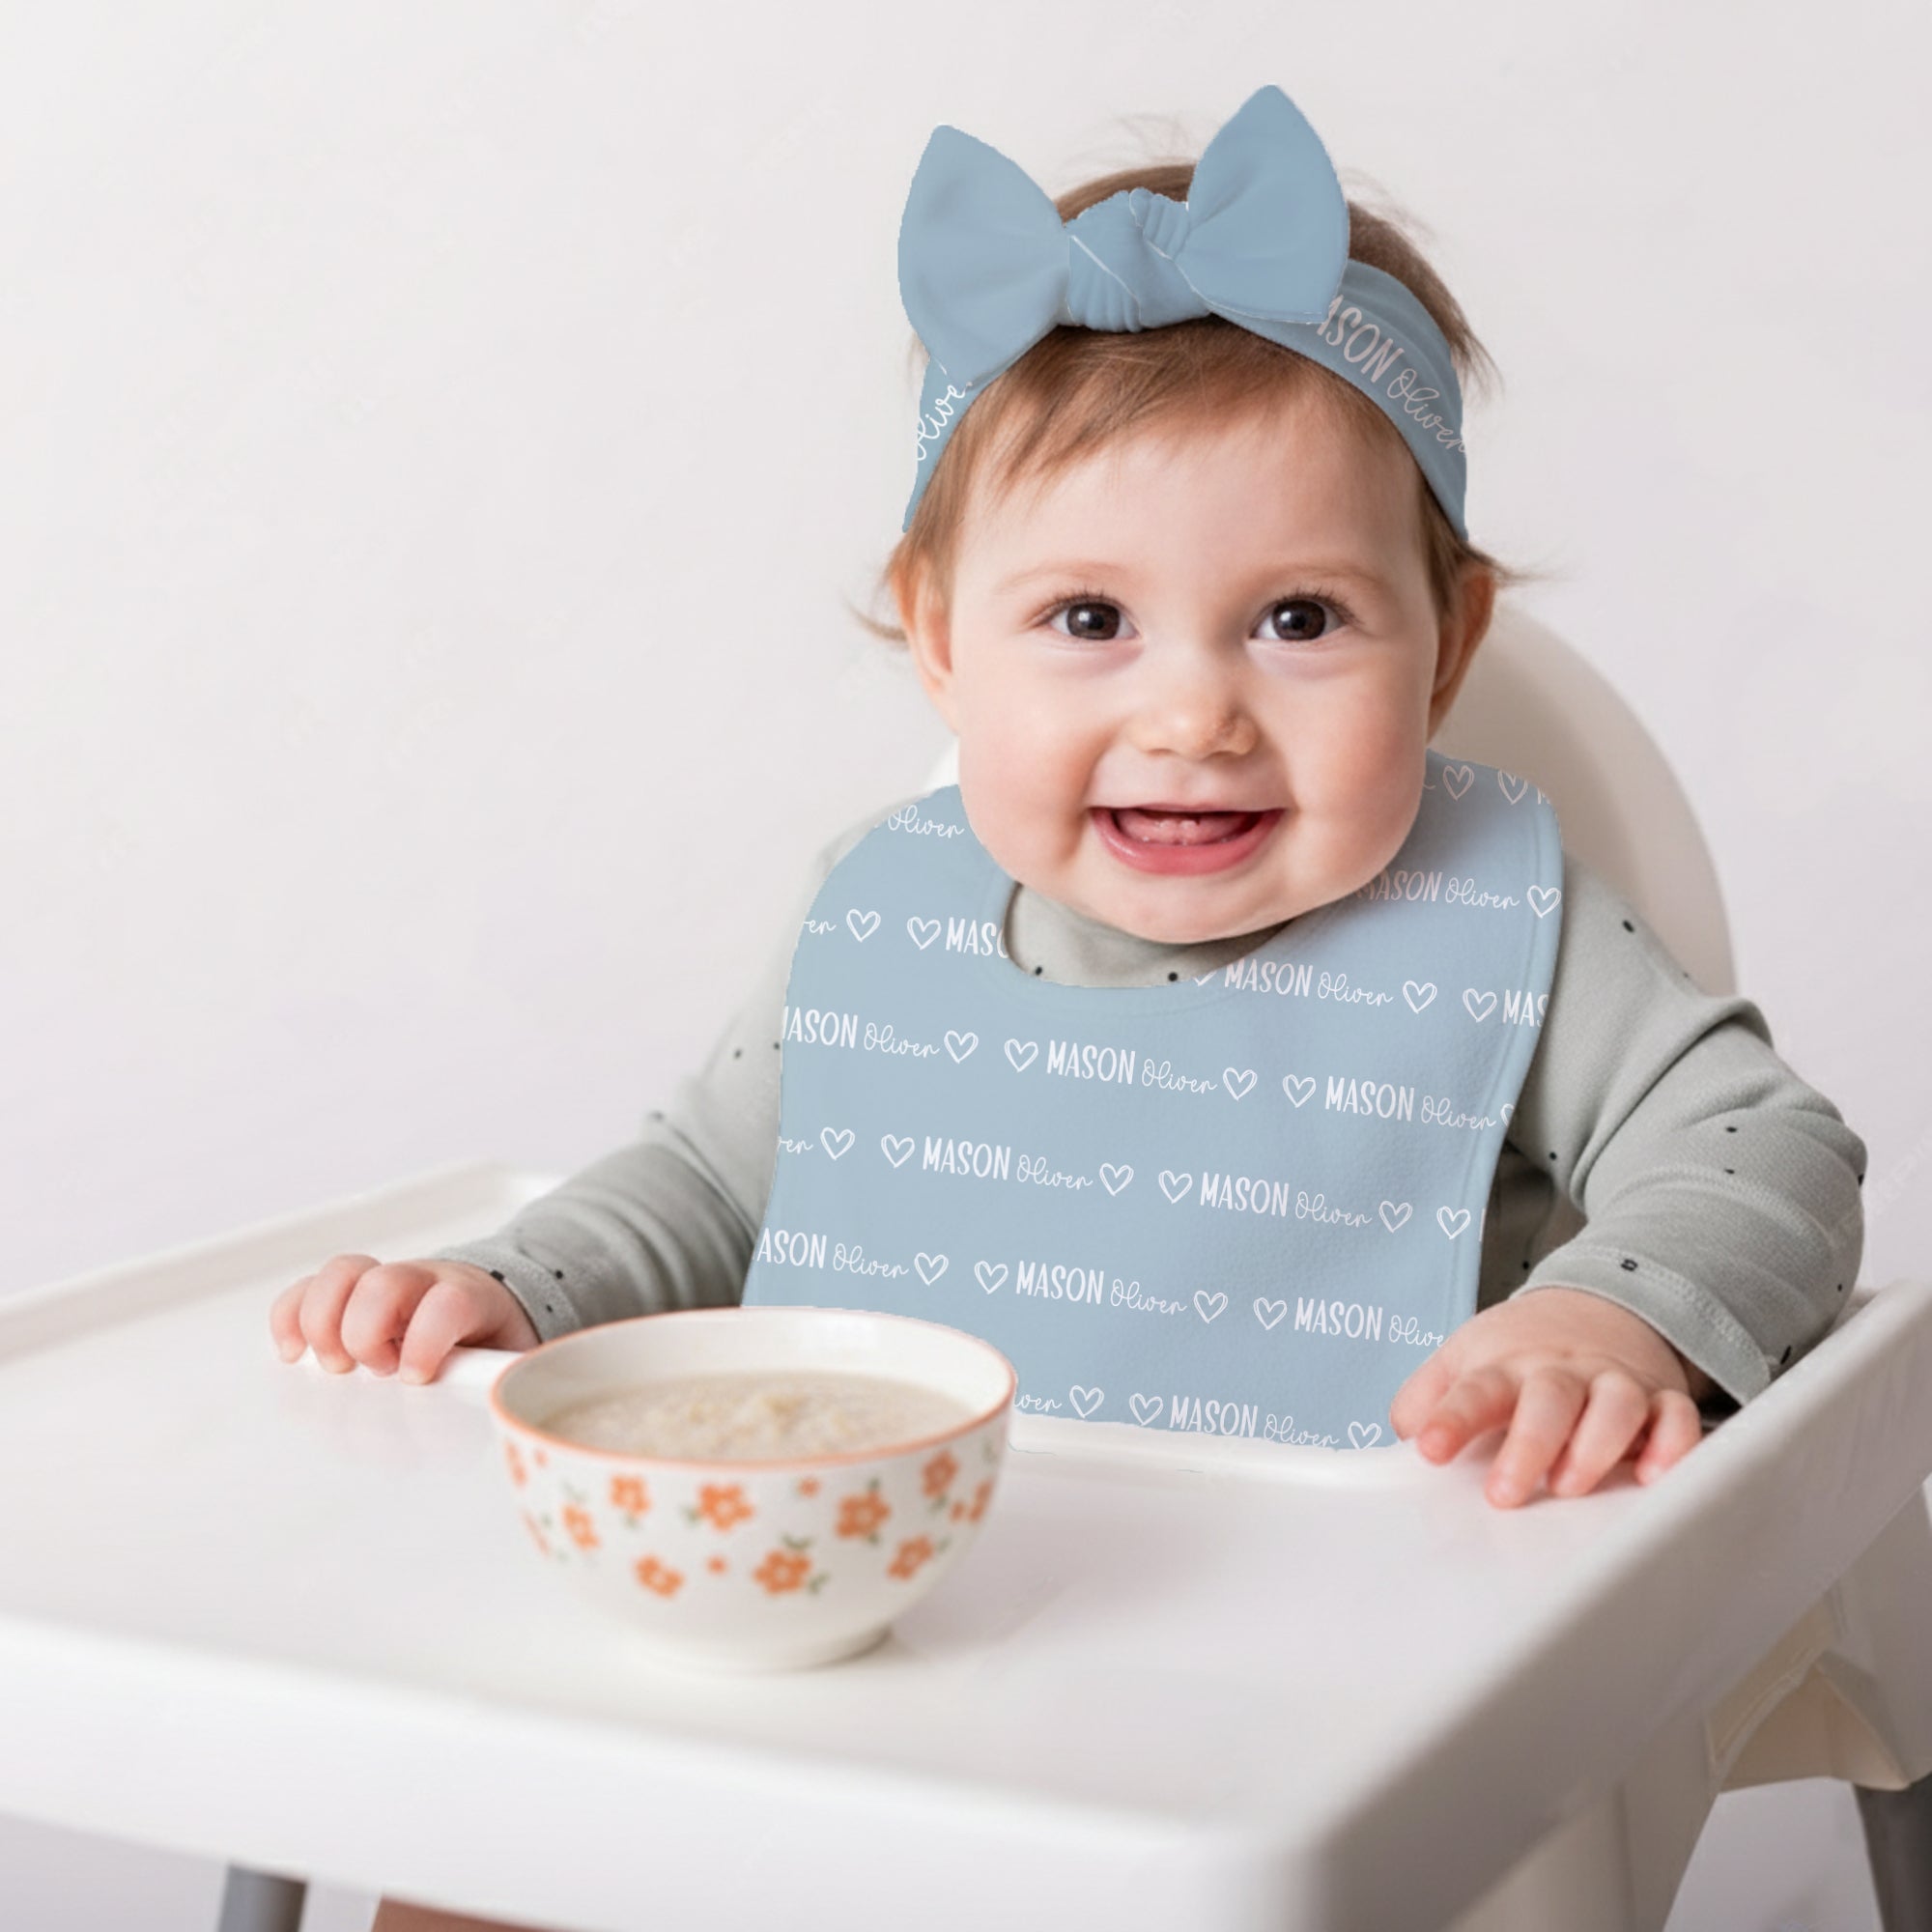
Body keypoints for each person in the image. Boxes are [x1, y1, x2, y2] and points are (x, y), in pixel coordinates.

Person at [268, 84, 1866, 1932]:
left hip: (1283, 1706)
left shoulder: (1501, 929)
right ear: (941, 639)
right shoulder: (886, 912)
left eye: (1299, 620)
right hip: (875, 1626)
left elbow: (1770, 1151)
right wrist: (511, 1288)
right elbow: (708, 1192)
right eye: (1090, 619)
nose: (1194, 714)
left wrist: (1603, 1323)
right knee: (475, 1858)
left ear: (1453, 644)